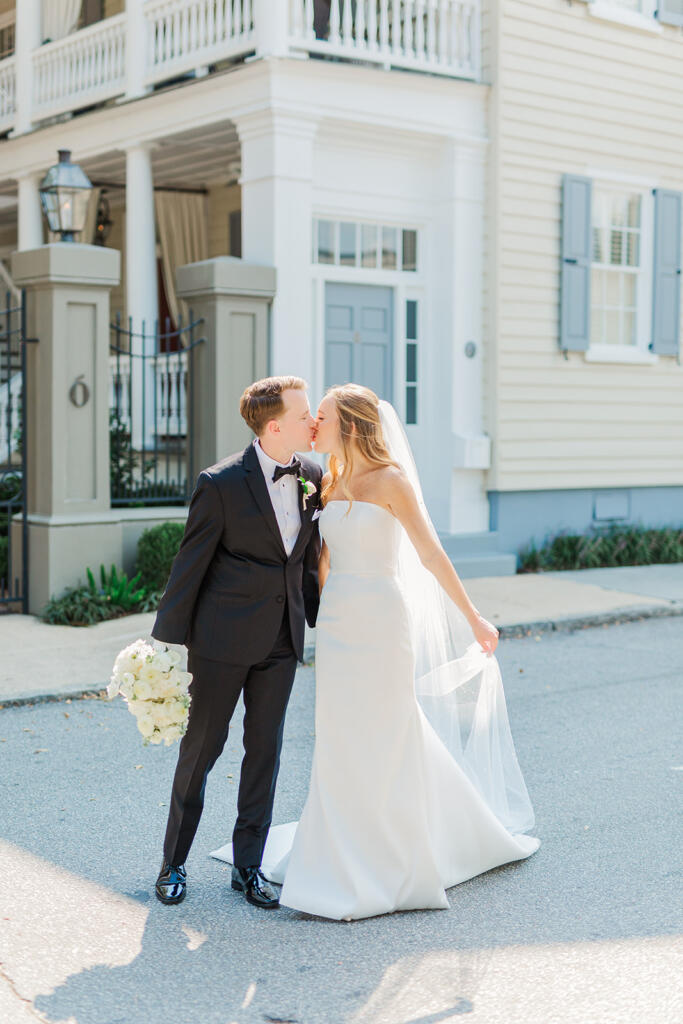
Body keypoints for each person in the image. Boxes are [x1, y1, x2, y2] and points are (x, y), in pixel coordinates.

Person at [212, 383, 540, 920]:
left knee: (387, 732)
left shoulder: (390, 480)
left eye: (321, 417)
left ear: (350, 424)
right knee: (340, 735)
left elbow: (431, 555)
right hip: (338, 624)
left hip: (382, 621)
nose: (312, 426)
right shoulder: (327, 480)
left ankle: (395, 856)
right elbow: (318, 562)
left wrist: (474, 616)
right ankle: (336, 848)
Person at [152, 376, 323, 909]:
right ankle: (173, 863)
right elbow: (191, 563)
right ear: (274, 426)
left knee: (264, 752)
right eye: (303, 415)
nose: (312, 421)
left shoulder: (313, 473)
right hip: (221, 642)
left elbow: (309, 556)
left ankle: (249, 866)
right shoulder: (220, 482)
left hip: (281, 639)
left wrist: (322, 618)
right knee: (202, 750)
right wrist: (165, 645)